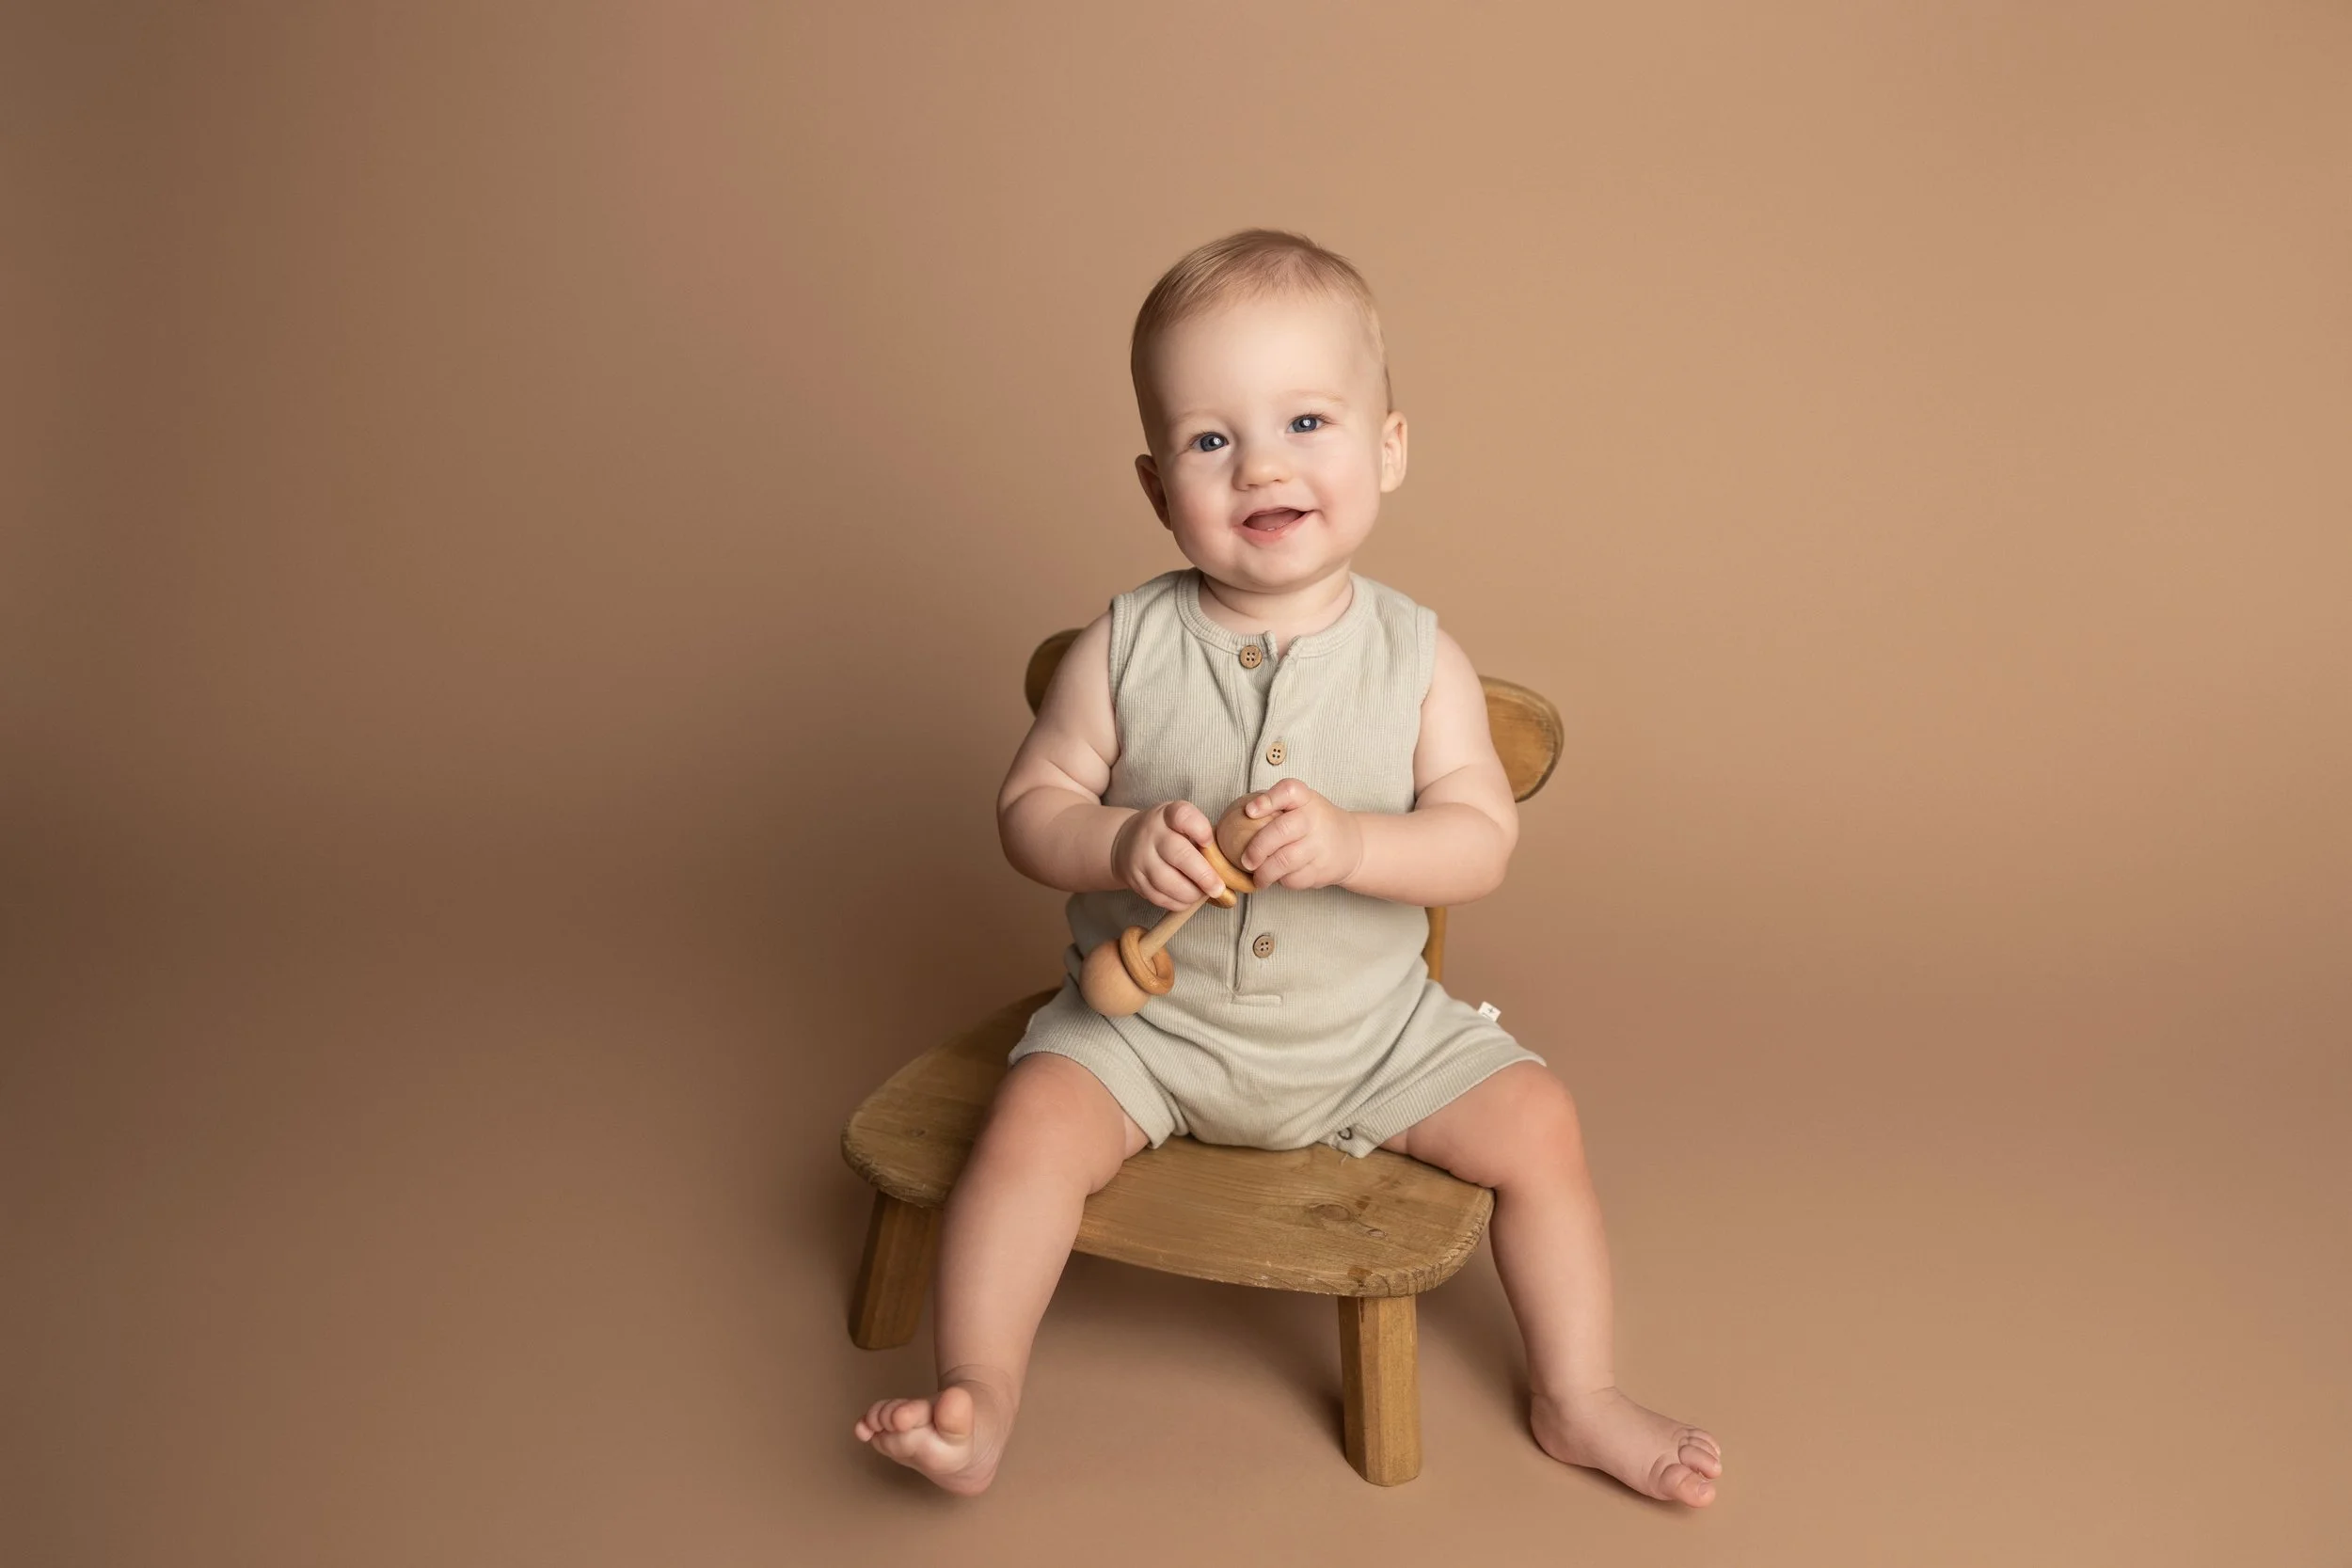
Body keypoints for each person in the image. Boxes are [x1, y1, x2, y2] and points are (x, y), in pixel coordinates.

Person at [853, 229, 1723, 1505]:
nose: (1261, 462)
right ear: (1158, 485)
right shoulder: (1126, 643)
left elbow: (1482, 837)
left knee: (1541, 1121)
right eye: (1211, 440)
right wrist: (1117, 838)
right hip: (1150, 1034)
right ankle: (981, 1391)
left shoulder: (1419, 657)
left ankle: (1576, 1392)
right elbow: (1028, 808)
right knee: (1026, 1126)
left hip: (1369, 1034)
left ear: (1388, 448)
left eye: (1307, 420)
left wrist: (1361, 844)